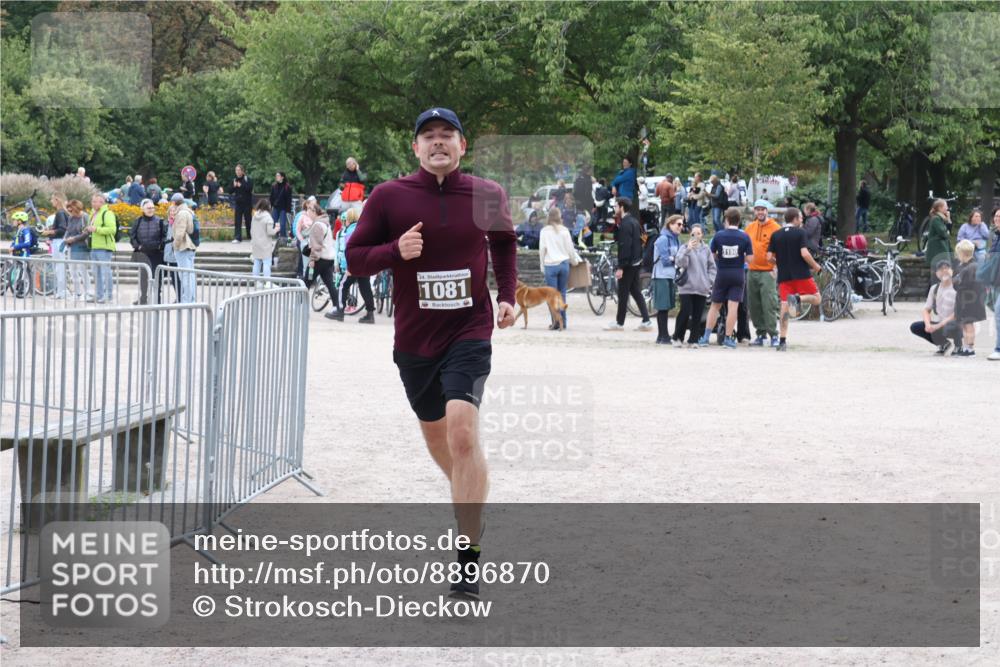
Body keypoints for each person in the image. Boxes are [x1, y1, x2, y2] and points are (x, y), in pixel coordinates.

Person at [345, 107, 518, 600]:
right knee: (442, 440)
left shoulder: (487, 194)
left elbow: (504, 246)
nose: (438, 143)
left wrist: (506, 294)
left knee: (464, 432)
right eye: (429, 137)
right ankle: (472, 502)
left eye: (448, 135)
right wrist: (394, 251)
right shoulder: (388, 197)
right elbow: (355, 259)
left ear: (463, 146)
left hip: (469, 329)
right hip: (415, 340)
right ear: (415, 148)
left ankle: (467, 557)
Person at [767, 207, 823, 351]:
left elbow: (769, 258)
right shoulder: (801, 233)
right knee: (817, 298)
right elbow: (804, 253)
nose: (802, 219)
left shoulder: (776, 234)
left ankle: (782, 341)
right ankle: (798, 299)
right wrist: (816, 266)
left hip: (784, 276)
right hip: (801, 274)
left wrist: (778, 264)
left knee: (784, 307)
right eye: (800, 217)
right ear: (795, 219)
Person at [698, 207, 754, 349]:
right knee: (733, 306)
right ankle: (728, 339)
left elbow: (712, 255)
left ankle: (705, 337)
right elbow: (750, 259)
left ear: (726, 220)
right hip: (738, 273)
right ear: (739, 221)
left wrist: (721, 257)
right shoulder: (745, 236)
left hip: (722, 273)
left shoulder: (719, 236)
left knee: (715, 306)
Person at [603, 197, 652, 332]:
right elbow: (643, 238)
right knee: (635, 291)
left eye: (616, 206)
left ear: (622, 207)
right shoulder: (634, 221)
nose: (614, 208)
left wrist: (621, 267)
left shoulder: (625, 224)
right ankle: (646, 321)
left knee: (623, 292)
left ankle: (619, 323)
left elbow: (625, 246)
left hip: (629, 263)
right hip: (636, 261)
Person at [744, 200, 782, 347]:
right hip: (752, 270)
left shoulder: (775, 228)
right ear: (754, 211)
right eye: (757, 209)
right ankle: (760, 334)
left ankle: (774, 335)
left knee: (769, 303)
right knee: (754, 305)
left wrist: (776, 267)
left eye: (763, 209)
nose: (760, 212)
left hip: (768, 272)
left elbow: (780, 249)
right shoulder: (750, 228)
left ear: (767, 211)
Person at [672, 224, 716, 347]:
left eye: (698, 233)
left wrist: (709, 281)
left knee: (698, 314)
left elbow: (712, 267)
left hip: (702, 287)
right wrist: (688, 250)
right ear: (690, 234)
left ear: (702, 235)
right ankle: (677, 337)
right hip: (686, 286)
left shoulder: (706, 249)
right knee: (685, 311)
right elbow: (680, 263)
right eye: (693, 233)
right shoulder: (684, 247)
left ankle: (693, 340)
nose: (696, 236)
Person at [538, 207, 581, 330]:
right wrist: (574, 261)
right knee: (562, 294)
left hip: (550, 265)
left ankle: (556, 322)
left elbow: (542, 250)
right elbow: (570, 249)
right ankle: (564, 322)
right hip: (563, 265)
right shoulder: (565, 231)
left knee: (551, 296)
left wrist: (542, 266)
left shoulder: (544, 231)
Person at [331, 207, 376, 323]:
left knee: (343, 285)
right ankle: (370, 314)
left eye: (345, 219)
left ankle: (339, 311)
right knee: (365, 288)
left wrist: (348, 266)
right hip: (365, 263)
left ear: (349, 219)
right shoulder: (363, 228)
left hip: (354, 264)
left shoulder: (350, 231)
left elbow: (349, 250)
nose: (344, 221)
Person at [909, 260, 963, 355]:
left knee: (951, 325)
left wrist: (938, 325)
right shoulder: (934, 288)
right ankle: (943, 344)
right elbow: (926, 309)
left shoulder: (958, 287)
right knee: (915, 327)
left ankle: (959, 346)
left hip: (957, 323)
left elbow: (958, 312)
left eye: (947, 268)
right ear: (937, 273)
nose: (944, 271)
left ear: (952, 271)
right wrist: (927, 325)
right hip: (941, 323)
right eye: (941, 269)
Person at [129, 199, 168, 304]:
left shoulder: (160, 221)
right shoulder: (138, 221)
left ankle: (157, 299)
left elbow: (165, 237)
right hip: (143, 254)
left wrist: (160, 246)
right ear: (143, 209)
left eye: (152, 208)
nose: (151, 210)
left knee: (157, 278)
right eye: (148, 208)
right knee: (143, 278)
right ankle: (143, 299)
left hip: (156, 254)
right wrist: (138, 246)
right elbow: (132, 237)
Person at [951, 239, 986, 357]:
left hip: (968, 301)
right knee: (966, 324)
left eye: (958, 254)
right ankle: (966, 347)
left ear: (963, 254)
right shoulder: (971, 266)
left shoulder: (968, 268)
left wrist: (954, 281)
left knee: (968, 324)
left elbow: (962, 285)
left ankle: (970, 348)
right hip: (970, 300)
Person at [652, 215, 682, 344]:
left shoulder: (676, 240)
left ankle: (663, 335)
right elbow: (665, 260)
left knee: (667, 306)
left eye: (681, 224)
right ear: (670, 224)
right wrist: (674, 260)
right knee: (662, 307)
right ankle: (662, 335)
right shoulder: (663, 239)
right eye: (678, 224)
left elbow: (677, 259)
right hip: (660, 275)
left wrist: (673, 259)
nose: (681, 227)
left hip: (670, 276)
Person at [304, 205, 338, 318]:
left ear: (314, 212)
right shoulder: (325, 223)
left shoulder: (317, 225)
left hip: (319, 259)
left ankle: (302, 306)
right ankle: (336, 307)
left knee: (306, 283)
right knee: (330, 283)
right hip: (328, 258)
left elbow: (316, 245)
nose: (307, 212)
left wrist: (312, 259)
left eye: (308, 210)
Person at [86, 193, 117, 304]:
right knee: (96, 273)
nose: (93, 203)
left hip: (104, 247)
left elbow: (112, 230)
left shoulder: (107, 213)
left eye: (96, 201)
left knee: (105, 272)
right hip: (94, 247)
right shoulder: (93, 213)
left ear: (102, 202)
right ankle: (99, 295)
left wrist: (96, 229)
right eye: (92, 201)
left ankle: (108, 295)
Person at [171, 193, 198, 303]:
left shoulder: (181, 213)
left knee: (185, 275)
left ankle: (187, 299)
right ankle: (191, 298)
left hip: (183, 247)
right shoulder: (188, 211)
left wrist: (175, 246)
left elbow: (180, 233)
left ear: (174, 202)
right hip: (190, 246)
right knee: (190, 274)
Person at [41, 192, 69, 299]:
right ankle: (61, 291)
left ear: (57, 200)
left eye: (52, 199)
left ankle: (61, 292)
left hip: (58, 242)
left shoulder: (60, 213)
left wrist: (49, 232)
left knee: (59, 267)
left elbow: (62, 229)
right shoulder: (63, 212)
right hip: (59, 241)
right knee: (59, 267)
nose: (51, 201)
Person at [63, 199, 91, 300]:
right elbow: (68, 230)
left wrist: (74, 238)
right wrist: (65, 239)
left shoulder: (85, 217)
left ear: (76, 209)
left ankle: (88, 292)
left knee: (82, 270)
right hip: (72, 246)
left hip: (81, 246)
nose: (70, 213)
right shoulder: (71, 218)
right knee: (72, 270)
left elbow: (86, 233)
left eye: (72, 210)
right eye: (69, 211)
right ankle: (77, 292)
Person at [250, 199, 279, 279]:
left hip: (256, 243)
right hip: (265, 245)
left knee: (256, 263)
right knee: (266, 263)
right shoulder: (268, 218)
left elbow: (251, 230)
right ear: (268, 207)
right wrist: (276, 229)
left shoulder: (254, 216)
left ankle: (255, 281)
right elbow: (270, 232)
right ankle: (267, 282)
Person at [924, 198, 953, 280]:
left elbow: (948, 231)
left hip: (942, 250)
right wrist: (946, 232)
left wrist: (949, 219)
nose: (947, 208)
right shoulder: (936, 219)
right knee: (936, 277)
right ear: (940, 208)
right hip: (937, 252)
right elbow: (944, 233)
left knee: (941, 277)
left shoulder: (942, 219)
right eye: (945, 206)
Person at [987, 207, 1000, 361]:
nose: (997, 218)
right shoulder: (996, 236)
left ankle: (998, 348)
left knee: (998, 313)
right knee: (992, 305)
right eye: (996, 216)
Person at [229, 164, 253, 243]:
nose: (237, 172)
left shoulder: (247, 179)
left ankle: (250, 236)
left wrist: (241, 185)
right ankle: (238, 237)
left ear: (242, 171)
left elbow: (249, 188)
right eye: (236, 170)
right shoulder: (234, 180)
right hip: (238, 203)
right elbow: (230, 191)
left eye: (239, 170)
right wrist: (234, 186)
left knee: (248, 220)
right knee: (237, 221)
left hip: (247, 203)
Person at [269, 171, 293, 240]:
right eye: (276, 176)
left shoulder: (287, 187)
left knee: (282, 224)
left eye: (278, 176)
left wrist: (288, 210)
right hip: (276, 207)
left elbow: (289, 199)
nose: (276, 177)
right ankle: (276, 236)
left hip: (283, 208)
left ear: (282, 177)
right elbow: (271, 197)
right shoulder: (274, 186)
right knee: (273, 222)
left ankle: (283, 237)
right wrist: (271, 205)